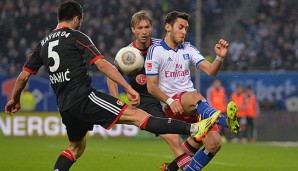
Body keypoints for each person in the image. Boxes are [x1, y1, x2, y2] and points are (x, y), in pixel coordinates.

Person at [4, 2, 220, 171]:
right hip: (85, 98)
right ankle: (193, 129)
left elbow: (23, 76)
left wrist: (15, 99)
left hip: (65, 106)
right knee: (138, 117)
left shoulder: (43, 43)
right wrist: (128, 88)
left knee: (76, 149)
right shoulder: (78, 36)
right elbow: (103, 65)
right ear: (77, 18)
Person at [145, 11, 240, 171]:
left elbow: (210, 71)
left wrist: (219, 58)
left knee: (214, 144)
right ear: (168, 27)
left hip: (196, 107)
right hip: (174, 105)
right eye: (180, 27)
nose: (184, 31)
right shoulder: (156, 51)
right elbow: (151, 86)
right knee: (196, 96)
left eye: (186, 28)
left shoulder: (188, 48)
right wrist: (170, 101)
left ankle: (175, 168)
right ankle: (226, 122)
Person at [107, 10, 193, 171]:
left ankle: (172, 168)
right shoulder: (127, 54)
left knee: (195, 134)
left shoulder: (161, 46)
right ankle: (189, 168)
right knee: (173, 136)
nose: (144, 31)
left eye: (147, 27)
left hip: (167, 95)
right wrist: (116, 100)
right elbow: (111, 75)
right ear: (133, 29)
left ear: (152, 28)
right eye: (139, 28)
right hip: (147, 102)